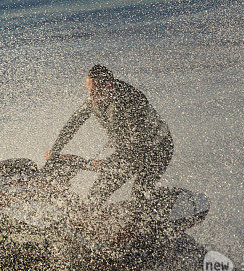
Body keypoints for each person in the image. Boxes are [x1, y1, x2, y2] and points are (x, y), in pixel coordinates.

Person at [45, 65, 173, 205]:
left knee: (139, 192)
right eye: (89, 90)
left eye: (94, 90)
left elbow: (137, 142)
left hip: (157, 149)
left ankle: (160, 209)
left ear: (109, 85)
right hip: (127, 151)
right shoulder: (95, 99)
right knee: (98, 192)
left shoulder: (132, 100)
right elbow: (73, 123)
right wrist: (55, 149)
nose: (90, 95)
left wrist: (110, 161)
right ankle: (96, 221)